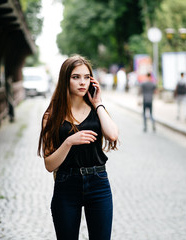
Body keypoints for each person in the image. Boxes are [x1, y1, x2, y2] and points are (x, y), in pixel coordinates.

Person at [38, 55, 119, 240]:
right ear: (65, 79)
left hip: (98, 182)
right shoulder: (51, 116)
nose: (82, 82)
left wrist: (98, 104)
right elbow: (50, 164)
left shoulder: (97, 110)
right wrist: (69, 142)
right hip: (66, 184)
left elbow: (113, 134)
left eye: (86, 77)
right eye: (76, 77)